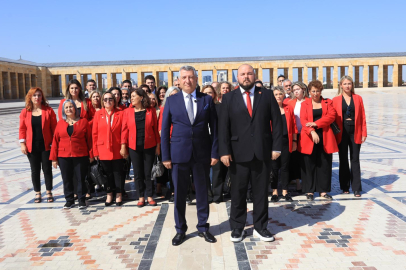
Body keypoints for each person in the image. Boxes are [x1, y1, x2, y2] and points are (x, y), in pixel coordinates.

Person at [219, 64, 282, 243]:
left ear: (254, 75)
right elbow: (223, 127)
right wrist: (224, 151)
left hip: (262, 153)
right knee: (237, 193)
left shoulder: (267, 95)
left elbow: (277, 124)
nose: (246, 77)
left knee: (261, 192)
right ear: (237, 77)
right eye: (242, 74)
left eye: (249, 74)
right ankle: (237, 228)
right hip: (237, 154)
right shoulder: (228, 98)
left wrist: (277, 148)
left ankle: (260, 228)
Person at [161, 66, 218, 246]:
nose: (187, 80)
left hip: (202, 154)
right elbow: (164, 131)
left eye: (191, 77)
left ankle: (203, 227)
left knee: (202, 193)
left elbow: (215, 130)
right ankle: (180, 230)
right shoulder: (172, 101)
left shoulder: (206, 99)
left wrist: (215, 152)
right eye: (184, 77)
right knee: (179, 194)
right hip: (178, 154)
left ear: (196, 79)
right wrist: (165, 156)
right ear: (178, 80)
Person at [50, 100, 94, 209]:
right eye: (66, 107)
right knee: (67, 179)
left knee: (81, 178)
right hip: (63, 156)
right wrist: (54, 158)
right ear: (63, 110)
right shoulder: (60, 123)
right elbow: (55, 141)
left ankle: (81, 199)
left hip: (80, 154)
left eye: (71, 107)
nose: (69, 109)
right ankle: (69, 200)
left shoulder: (83, 122)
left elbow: (89, 140)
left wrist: (91, 154)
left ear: (75, 108)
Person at [299, 80, 338, 201]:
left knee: (324, 164)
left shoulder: (328, 102)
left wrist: (316, 124)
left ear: (321, 91)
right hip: (309, 136)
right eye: (313, 91)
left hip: (325, 136)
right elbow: (303, 120)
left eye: (318, 91)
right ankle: (309, 191)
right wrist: (312, 131)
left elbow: (331, 116)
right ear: (309, 91)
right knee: (309, 164)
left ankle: (323, 191)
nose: (315, 93)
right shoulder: (304, 104)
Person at [121, 89, 160, 207]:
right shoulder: (127, 112)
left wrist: (158, 146)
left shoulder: (151, 110)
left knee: (148, 172)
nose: (131, 98)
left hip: (149, 145)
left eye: (134, 96)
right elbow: (124, 130)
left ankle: (149, 195)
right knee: (138, 173)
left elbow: (155, 130)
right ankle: (141, 196)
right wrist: (123, 146)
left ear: (141, 97)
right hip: (133, 146)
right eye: (131, 96)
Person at [19, 87, 57, 203]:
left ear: (42, 97)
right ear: (30, 97)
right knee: (35, 170)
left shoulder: (48, 110)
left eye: (39, 95)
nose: (37, 97)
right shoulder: (25, 112)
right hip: (32, 146)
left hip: (46, 145)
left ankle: (49, 191)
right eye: (34, 95)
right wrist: (22, 144)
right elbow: (22, 129)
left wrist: (55, 145)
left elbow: (55, 129)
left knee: (47, 169)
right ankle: (37, 192)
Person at [332, 76, 367, 197]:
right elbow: (332, 117)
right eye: (345, 84)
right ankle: (345, 186)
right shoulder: (335, 100)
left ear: (352, 85)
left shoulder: (358, 98)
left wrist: (364, 133)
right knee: (343, 159)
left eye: (349, 83)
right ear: (340, 85)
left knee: (355, 159)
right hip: (342, 131)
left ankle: (356, 188)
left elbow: (362, 116)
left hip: (355, 131)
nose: (347, 86)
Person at [93, 92, 125, 206]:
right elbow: (94, 133)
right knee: (107, 173)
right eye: (105, 99)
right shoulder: (98, 114)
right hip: (103, 148)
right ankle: (109, 193)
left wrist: (123, 146)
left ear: (114, 100)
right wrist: (95, 151)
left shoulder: (120, 113)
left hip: (117, 148)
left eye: (110, 99)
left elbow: (124, 131)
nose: (108, 101)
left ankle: (119, 194)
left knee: (118, 173)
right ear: (102, 101)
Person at [270, 87, 298, 202]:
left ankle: (285, 191)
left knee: (285, 167)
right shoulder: (269, 109)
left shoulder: (288, 108)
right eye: (276, 94)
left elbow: (294, 126)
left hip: (286, 140)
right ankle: (275, 191)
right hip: (273, 142)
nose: (278, 96)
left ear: (283, 95)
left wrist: (295, 141)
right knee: (274, 167)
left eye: (280, 94)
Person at [157, 86, 180, 201]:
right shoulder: (163, 108)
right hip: (170, 141)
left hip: (181, 141)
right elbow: (161, 128)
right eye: (171, 95)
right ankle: (173, 190)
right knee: (171, 169)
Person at [288, 82, 309, 192]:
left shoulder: (309, 102)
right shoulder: (291, 103)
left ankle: (307, 182)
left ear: (303, 89)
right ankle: (297, 183)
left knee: (305, 159)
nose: (296, 91)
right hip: (296, 134)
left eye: (298, 89)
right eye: (294, 89)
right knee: (295, 159)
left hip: (307, 134)